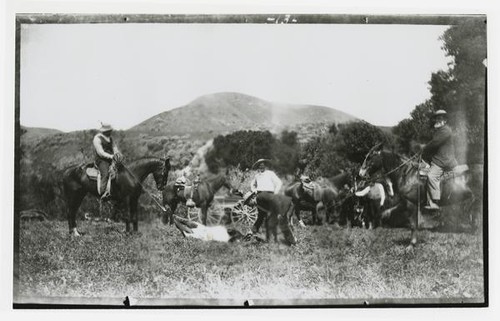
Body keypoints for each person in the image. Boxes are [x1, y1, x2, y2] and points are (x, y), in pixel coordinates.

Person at [422, 110, 458, 210]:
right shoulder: (440, 130)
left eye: (440, 118)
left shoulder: (445, 130)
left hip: (444, 160)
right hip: (441, 158)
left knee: (431, 176)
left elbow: (435, 143)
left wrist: (423, 148)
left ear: (445, 120)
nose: (437, 120)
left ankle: (434, 202)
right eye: (437, 118)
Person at [249, 159, 283, 234]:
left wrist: (275, 192)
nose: (261, 167)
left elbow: (279, 183)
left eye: (263, 165)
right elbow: (252, 184)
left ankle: (269, 231)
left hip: (269, 195)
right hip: (260, 196)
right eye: (260, 165)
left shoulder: (270, 173)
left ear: (265, 166)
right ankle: (254, 232)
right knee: (261, 215)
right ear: (258, 167)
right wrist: (254, 190)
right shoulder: (257, 176)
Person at [93, 123, 121, 200]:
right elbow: (100, 153)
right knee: (105, 173)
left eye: (110, 131)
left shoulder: (110, 138)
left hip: (111, 158)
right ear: (104, 131)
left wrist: (117, 154)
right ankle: (103, 193)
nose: (109, 132)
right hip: (101, 160)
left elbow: (114, 147)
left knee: (121, 170)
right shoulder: (97, 138)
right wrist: (111, 156)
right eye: (108, 131)